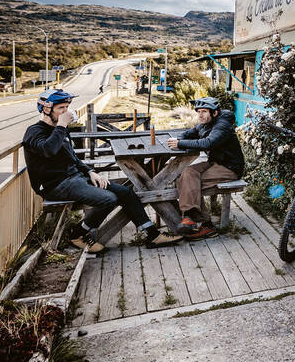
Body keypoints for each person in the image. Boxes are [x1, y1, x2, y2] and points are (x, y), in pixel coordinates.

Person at [22, 88, 182, 251]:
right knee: (108, 199)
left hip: (75, 178)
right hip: (56, 185)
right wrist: (62, 125)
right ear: (46, 109)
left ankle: (153, 235)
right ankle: (77, 234)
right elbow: (49, 150)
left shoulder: (60, 130)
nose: (66, 112)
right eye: (61, 108)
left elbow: (72, 157)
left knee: (126, 192)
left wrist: (90, 172)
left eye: (66, 107)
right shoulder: (35, 132)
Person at [168, 97, 246, 238]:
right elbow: (188, 133)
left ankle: (201, 223)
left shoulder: (223, 125)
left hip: (229, 167)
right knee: (188, 173)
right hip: (214, 162)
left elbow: (208, 143)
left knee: (189, 184)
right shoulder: (204, 124)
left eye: (204, 111)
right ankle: (197, 219)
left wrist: (180, 144)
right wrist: (180, 139)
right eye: (198, 112)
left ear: (214, 113)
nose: (200, 115)